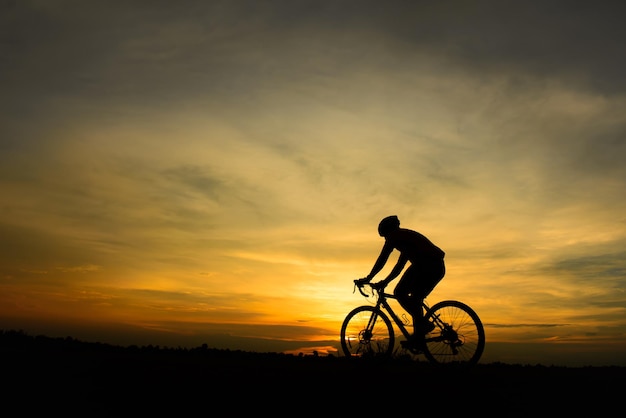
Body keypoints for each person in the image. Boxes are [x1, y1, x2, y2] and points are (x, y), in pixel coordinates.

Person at [357, 215, 445, 348]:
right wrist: (385, 281)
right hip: (434, 266)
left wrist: (368, 278)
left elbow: (382, 259)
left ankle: (423, 326)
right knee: (415, 299)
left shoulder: (395, 236)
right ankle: (419, 338)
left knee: (400, 292)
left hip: (428, 264)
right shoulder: (406, 240)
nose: (386, 240)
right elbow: (398, 267)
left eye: (385, 236)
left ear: (389, 231)